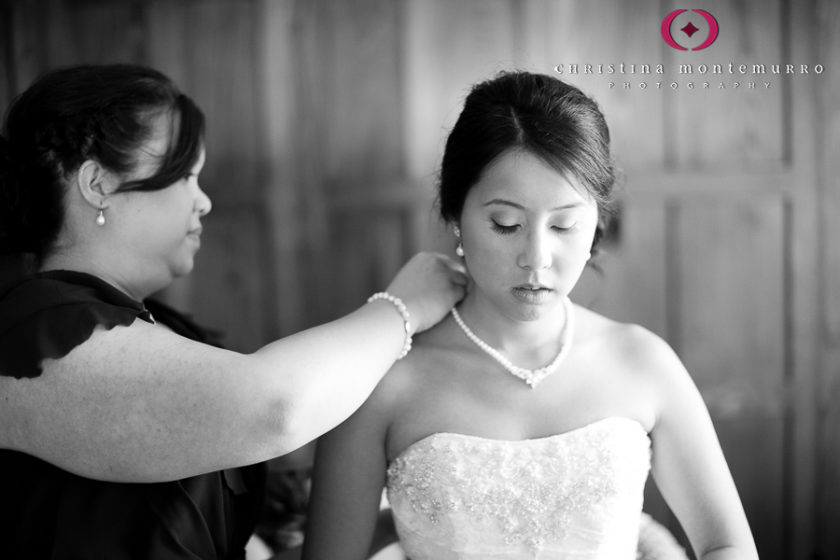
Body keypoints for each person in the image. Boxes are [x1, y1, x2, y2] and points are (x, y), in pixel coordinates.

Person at [0, 64, 466, 559]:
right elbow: (275, 409)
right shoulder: (36, 332)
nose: (203, 202)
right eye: (186, 175)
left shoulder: (165, 328)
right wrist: (403, 308)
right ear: (97, 183)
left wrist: (396, 526)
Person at [302, 71, 759, 560]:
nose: (537, 257)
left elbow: (727, 544)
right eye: (507, 224)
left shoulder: (643, 361)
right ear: (456, 217)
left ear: (597, 224)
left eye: (564, 225)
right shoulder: (380, 381)